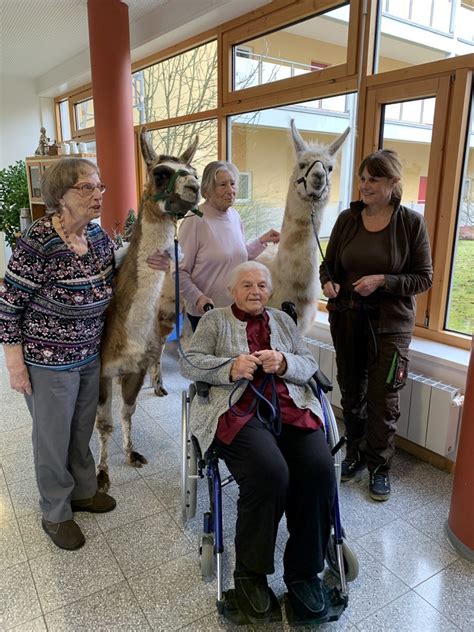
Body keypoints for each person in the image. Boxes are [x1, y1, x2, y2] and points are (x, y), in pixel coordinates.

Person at [180, 261, 336, 625]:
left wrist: (283, 363)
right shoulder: (215, 321)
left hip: (290, 409)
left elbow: (308, 363)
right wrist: (230, 368)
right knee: (270, 473)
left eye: (262, 285)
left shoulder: (282, 322)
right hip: (239, 412)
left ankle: (303, 574)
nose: (255, 291)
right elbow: (191, 363)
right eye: (247, 285)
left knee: (319, 471)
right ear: (232, 291)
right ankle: (250, 574)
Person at [0, 158, 117, 551]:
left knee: (80, 429)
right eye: (86, 187)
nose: (97, 194)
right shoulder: (37, 241)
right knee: (52, 438)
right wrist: (15, 366)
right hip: (47, 360)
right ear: (60, 197)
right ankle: (55, 512)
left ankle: (83, 491)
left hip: (88, 352)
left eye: (99, 186)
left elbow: (111, 280)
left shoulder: (98, 237)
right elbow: (8, 306)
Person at [320, 149, 432, 502]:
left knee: (384, 398)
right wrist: (328, 283)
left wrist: (384, 280)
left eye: (374, 179)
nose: (365, 186)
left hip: (390, 325)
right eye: (363, 178)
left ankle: (380, 466)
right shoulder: (347, 220)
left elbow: (423, 278)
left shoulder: (411, 224)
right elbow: (329, 265)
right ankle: (354, 453)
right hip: (347, 318)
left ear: (393, 183)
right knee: (351, 391)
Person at [176, 160, 280, 330]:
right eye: (222, 185)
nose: (230, 190)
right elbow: (179, 272)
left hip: (237, 309)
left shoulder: (234, 216)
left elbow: (238, 255)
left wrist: (262, 241)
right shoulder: (195, 220)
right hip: (207, 314)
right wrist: (198, 298)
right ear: (207, 190)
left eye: (232, 184)